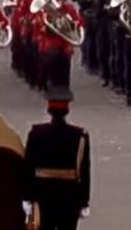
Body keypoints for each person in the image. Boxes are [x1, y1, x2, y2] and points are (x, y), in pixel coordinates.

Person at [23, 87, 90, 230]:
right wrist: (84, 201)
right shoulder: (79, 135)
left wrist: (27, 196)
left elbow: (28, 167)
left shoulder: (36, 134)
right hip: (70, 195)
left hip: (42, 193)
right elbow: (84, 170)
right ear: (67, 110)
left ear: (49, 110)